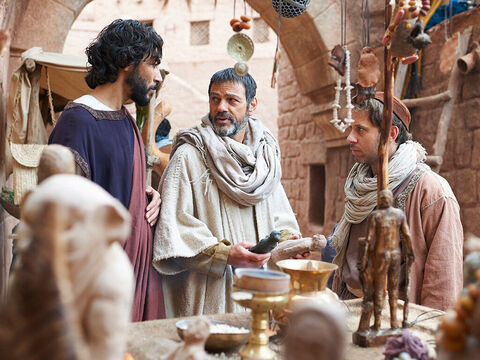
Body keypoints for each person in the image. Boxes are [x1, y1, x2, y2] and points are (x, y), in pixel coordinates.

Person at [152, 68, 300, 317]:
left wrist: (289, 245)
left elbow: (281, 219)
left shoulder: (266, 159)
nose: (221, 107)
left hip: (259, 293)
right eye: (215, 99)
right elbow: (173, 227)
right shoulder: (189, 155)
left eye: (232, 100)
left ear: (252, 105)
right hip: (210, 294)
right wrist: (225, 254)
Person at [49, 19, 165, 321]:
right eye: (153, 64)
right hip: (97, 290)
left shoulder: (125, 118)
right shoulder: (78, 121)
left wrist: (148, 195)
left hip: (135, 280)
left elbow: (122, 182)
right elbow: (61, 217)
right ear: (128, 61)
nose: (158, 76)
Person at [327, 92, 463, 311]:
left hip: (400, 321)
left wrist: (428, 334)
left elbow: (443, 279)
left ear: (391, 133)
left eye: (360, 130)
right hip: (348, 309)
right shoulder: (359, 185)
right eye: (351, 129)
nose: (350, 138)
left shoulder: (431, 191)